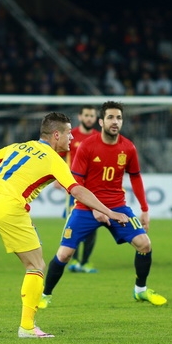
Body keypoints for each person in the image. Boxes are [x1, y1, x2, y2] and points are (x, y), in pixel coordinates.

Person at [0, 112, 129, 339]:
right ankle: (27, 328)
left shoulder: (17, 147)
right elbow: (77, 190)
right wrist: (109, 211)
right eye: (69, 133)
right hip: (10, 205)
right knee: (36, 266)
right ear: (56, 134)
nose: (72, 138)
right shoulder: (53, 159)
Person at [39, 101, 167, 309]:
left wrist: (144, 209)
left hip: (117, 206)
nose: (115, 122)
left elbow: (135, 178)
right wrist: (95, 209)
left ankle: (140, 290)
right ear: (101, 121)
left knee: (145, 244)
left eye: (118, 118)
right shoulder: (87, 146)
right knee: (64, 254)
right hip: (85, 208)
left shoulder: (128, 147)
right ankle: (45, 294)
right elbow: (76, 183)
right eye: (110, 117)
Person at [60, 105, 100, 274]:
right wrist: (58, 176)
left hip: (94, 189)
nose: (89, 118)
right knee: (74, 224)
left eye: (92, 115)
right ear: (80, 116)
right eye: (86, 115)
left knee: (93, 225)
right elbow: (58, 155)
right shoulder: (71, 135)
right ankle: (73, 260)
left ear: (96, 118)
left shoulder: (99, 137)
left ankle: (85, 261)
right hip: (74, 187)